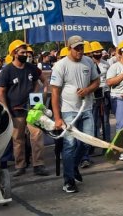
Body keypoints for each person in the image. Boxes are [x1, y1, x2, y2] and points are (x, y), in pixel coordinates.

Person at [50, 35, 100, 194]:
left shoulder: (89, 62)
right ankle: (69, 180)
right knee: (70, 145)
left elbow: (96, 81)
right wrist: (57, 118)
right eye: (77, 48)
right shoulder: (60, 65)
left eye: (82, 48)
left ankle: (72, 168)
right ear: (69, 48)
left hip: (86, 109)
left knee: (87, 142)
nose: (80, 51)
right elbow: (55, 93)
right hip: (68, 111)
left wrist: (88, 90)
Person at [0, 40, 49, 177]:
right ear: (14, 53)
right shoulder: (7, 70)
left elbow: (43, 80)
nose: (26, 54)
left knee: (37, 135)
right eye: (22, 52)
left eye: (26, 52)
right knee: (18, 138)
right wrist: (5, 109)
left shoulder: (31, 68)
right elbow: (1, 91)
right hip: (15, 110)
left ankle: (38, 164)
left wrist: (39, 94)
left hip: (32, 109)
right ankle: (20, 165)